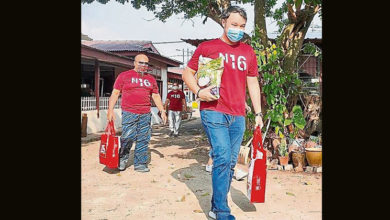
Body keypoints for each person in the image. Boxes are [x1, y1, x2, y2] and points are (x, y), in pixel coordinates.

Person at [182, 6, 263, 220]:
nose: (238, 29)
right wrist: (199, 91)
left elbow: (252, 82)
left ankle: (215, 205)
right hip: (214, 110)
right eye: (234, 24)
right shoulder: (207, 48)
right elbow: (187, 73)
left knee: (229, 162)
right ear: (224, 22)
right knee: (222, 156)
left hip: (238, 115)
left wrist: (258, 113)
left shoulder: (247, 51)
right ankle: (221, 210)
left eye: (242, 26)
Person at [107, 54, 167, 173]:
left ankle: (140, 163)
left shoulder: (151, 79)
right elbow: (115, 93)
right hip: (129, 112)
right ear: (134, 63)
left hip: (145, 113)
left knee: (143, 139)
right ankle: (122, 159)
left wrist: (162, 110)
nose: (143, 65)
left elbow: (155, 95)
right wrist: (110, 110)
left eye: (146, 63)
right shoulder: (124, 76)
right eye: (141, 62)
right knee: (127, 137)